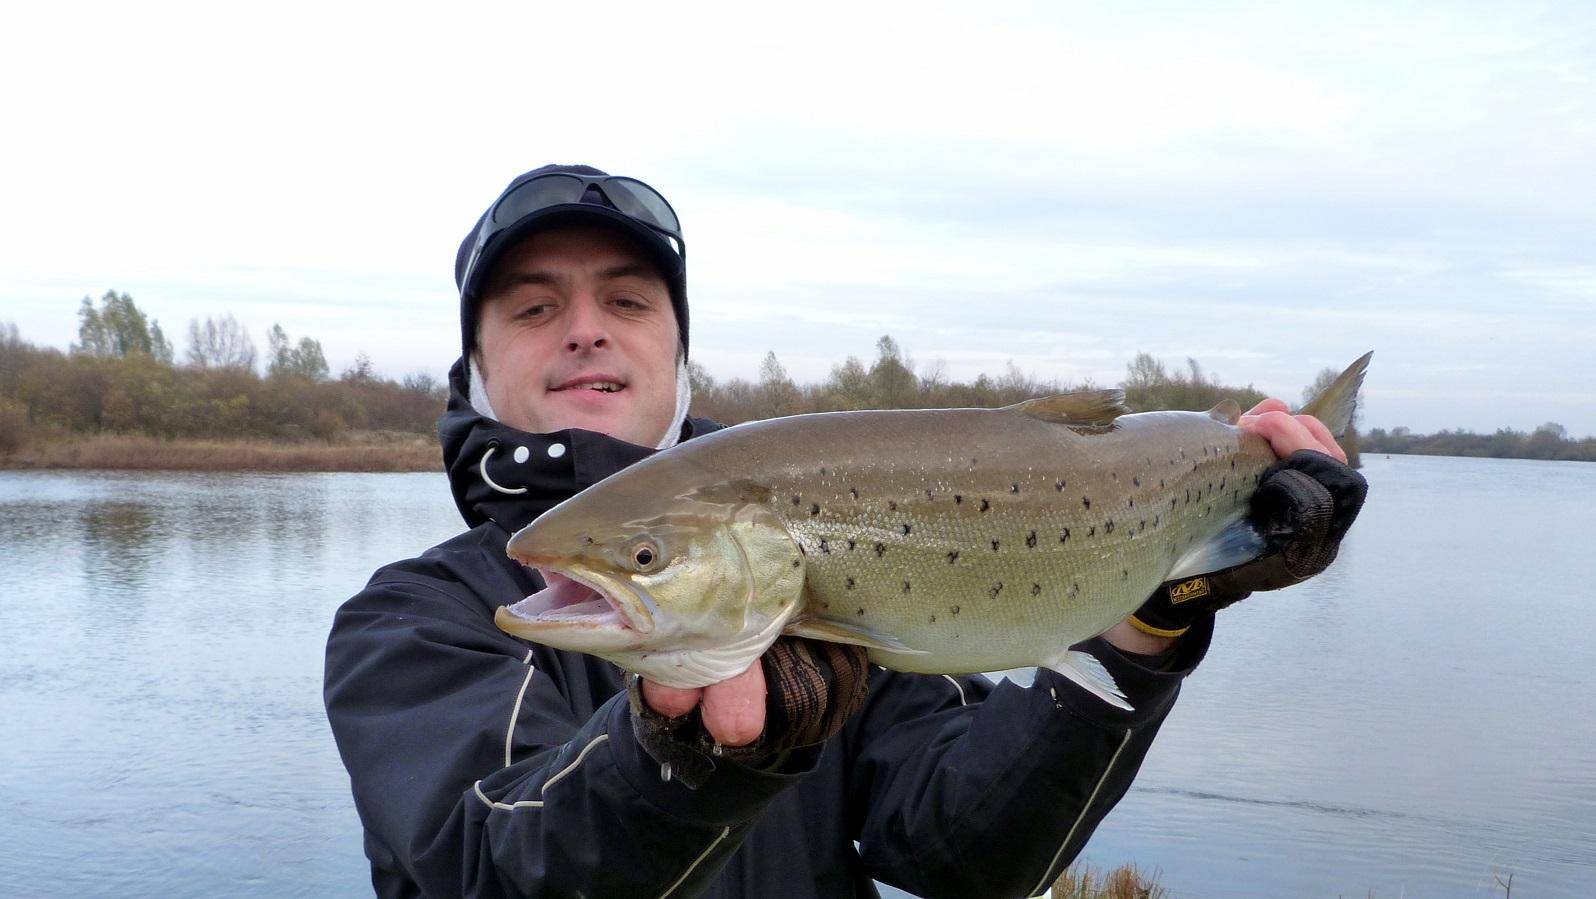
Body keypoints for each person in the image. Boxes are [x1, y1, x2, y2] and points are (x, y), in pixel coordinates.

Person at [323, 164, 1367, 898]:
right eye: (533, 306)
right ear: (471, 367)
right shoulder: (412, 621)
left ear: (679, 355)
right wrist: (683, 755)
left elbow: (972, 855)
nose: (586, 327)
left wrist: (1145, 629)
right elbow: (484, 866)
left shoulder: (849, 587)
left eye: (628, 300)